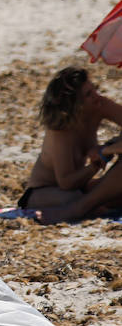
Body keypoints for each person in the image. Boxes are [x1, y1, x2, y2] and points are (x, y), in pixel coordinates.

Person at [24, 68, 122, 223]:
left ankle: (90, 204)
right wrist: (95, 166)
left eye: (94, 89)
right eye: (88, 95)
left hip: (81, 188)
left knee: (108, 194)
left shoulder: (100, 105)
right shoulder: (61, 129)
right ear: (74, 104)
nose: (96, 96)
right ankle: (83, 207)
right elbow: (66, 182)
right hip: (45, 191)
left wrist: (108, 148)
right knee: (85, 198)